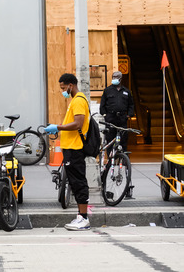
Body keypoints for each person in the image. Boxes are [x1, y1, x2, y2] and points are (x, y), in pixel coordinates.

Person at [44, 73, 91, 231]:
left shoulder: (78, 100)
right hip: (71, 147)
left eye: (63, 88)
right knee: (75, 182)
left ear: (71, 85)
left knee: (78, 182)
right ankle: (80, 216)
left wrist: (57, 127)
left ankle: (83, 218)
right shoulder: (75, 100)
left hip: (75, 148)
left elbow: (78, 124)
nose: (62, 91)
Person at [99, 71, 135, 150]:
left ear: (120, 79)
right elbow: (102, 104)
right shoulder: (107, 90)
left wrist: (129, 115)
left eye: (116, 77)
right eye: (113, 77)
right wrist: (105, 115)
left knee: (123, 139)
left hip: (122, 118)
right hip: (110, 118)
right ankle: (110, 160)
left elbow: (131, 104)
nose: (114, 79)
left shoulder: (126, 91)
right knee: (110, 138)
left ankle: (123, 159)